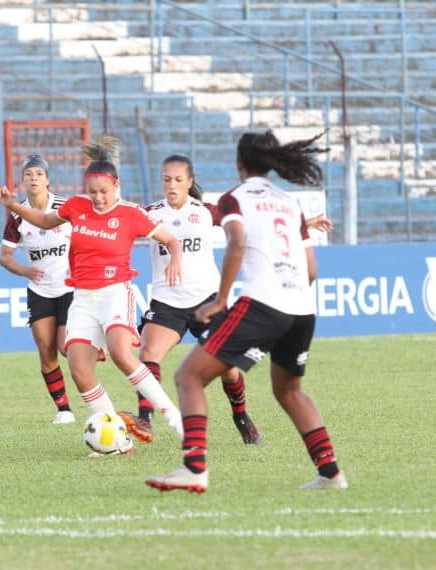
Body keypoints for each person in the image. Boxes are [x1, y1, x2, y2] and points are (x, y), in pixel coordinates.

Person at [146, 130, 347, 492]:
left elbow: (236, 242)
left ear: (239, 163)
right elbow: (312, 269)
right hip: (302, 308)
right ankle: (331, 473)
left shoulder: (233, 199)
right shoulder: (288, 202)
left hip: (262, 304)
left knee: (189, 376)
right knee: (289, 391)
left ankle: (194, 468)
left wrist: (221, 300)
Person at [0, 135, 185, 448]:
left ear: (116, 186)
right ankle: (117, 438)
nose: (97, 198)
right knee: (80, 370)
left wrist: (175, 261)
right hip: (82, 298)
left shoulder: (131, 213)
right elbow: (44, 220)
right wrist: (12, 205)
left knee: (121, 353)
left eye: (103, 191)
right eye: (92, 191)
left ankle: (175, 419)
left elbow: (171, 240)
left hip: (114, 292)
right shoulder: (76, 206)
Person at [129, 154, 262, 446]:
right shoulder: (148, 213)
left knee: (228, 368)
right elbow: (117, 226)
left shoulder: (205, 212)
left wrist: (304, 224)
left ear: (189, 182)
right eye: (166, 179)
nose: (172, 185)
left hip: (206, 301)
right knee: (149, 354)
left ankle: (241, 415)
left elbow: (248, 223)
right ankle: (145, 418)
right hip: (167, 302)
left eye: (178, 179)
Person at [0, 154, 76, 425]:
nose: (34, 178)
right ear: (22, 180)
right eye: (29, 174)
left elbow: (87, 238)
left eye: (39, 174)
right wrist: (25, 271)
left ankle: (94, 353)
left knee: (66, 347)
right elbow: (5, 256)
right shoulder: (17, 214)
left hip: (69, 288)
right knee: (46, 349)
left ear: (48, 180)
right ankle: (64, 410)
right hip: (40, 291)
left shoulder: (65, 208)